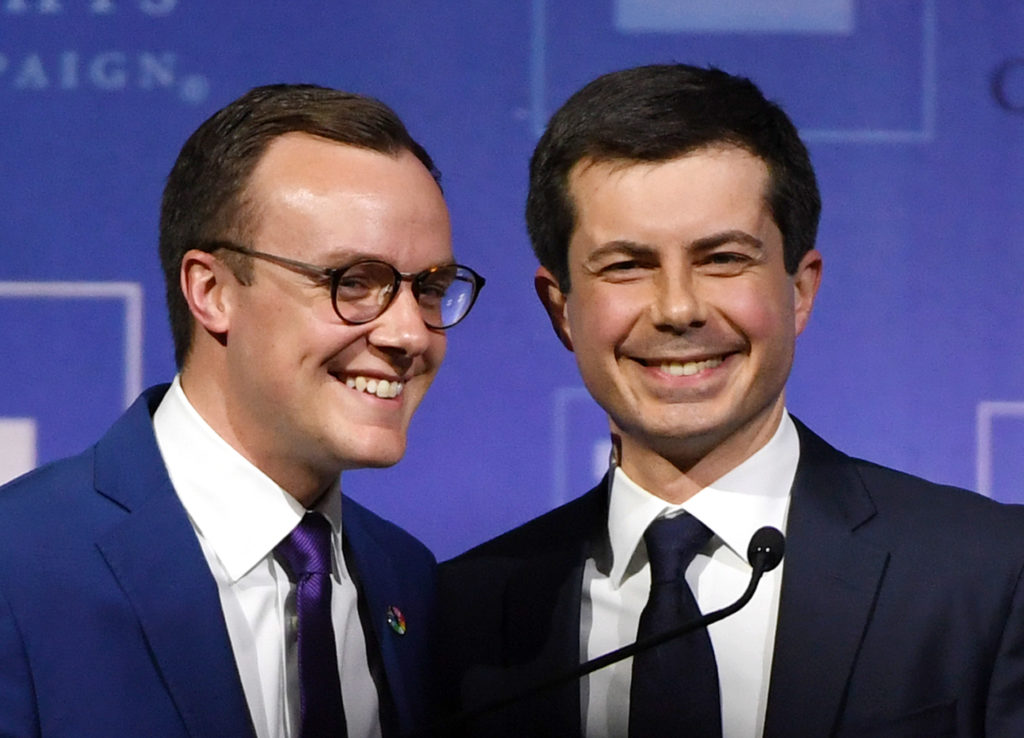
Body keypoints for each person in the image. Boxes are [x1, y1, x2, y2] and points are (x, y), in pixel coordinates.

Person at [438, 64, 1024, 737]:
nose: (679, 308)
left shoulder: (989, 575)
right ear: (560, 309)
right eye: (626, 265)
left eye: (722, 258)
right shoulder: (464, 613)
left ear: (799, 290)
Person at [0, 84, 484, 738]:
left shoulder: (411, 581)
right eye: (354, 282)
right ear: (213, 291)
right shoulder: (20, 564)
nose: (410, 333)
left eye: (427, 288)